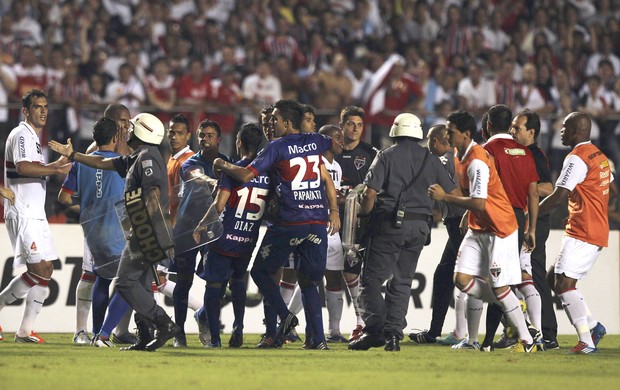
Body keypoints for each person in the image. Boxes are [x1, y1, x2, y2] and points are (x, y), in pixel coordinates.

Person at [213, 99, 340, 350]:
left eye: (274, 120)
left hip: (287, 221)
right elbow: (331, 149)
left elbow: (247, 175)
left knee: (262, 272)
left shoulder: (274, 148)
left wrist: (220, 164)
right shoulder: (314, 142)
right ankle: (317, 339)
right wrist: (334, 210)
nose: (270, 125)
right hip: (316, 220)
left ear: (286, 122)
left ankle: (282, 322)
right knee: (307, 281)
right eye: (266, 123)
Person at [49, 112, 181, 352]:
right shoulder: (137, 157)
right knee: (140, 284)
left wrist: (143, 231)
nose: (127, 132)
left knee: (124, 283)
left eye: (132, 128)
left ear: (142, 132)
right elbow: (101, 162)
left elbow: (152, 196)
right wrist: (74, 155)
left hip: (146, 232)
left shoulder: (148, 158)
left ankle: (164, 322)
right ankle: (145, 333)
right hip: (144, 231)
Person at [428, 110, 537, 353]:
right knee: (461, 279)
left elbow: (479, 201)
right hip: (479, 226)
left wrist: (445, 198)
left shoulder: (477, 160)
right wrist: (468, 212)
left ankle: (527, 340)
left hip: (500, 228)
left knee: (499, 287)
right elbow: (474, 198)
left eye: (450, 131)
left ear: (465, 134)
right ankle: (509, 304)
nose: (446, 135)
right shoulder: (459, 153)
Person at [348, 114, 457, 352]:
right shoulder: (432, 160)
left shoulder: (386, 156)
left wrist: (364, 218)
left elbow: (369, 194)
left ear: (395, 131)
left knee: (371, 280)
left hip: (389, 224)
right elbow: (453, 192)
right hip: (420, 228)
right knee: (402, 282)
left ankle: (376, 330)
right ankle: (394, 335)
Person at [538, 112, 615, 354]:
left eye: (564, 127)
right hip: (593, 227)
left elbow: (559, 195)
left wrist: (531, 215)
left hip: (584, 230)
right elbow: (610, 186)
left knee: (564, 284)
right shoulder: (599, 155)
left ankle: (586, 341)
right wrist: (584, 206)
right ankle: (593, 327)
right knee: (554, 279)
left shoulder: (576, 159)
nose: (560, 131)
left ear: (576, 131)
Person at [0, 89, 71, 343]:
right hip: (23, 212)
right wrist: (54, 168)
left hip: (35, 213)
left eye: (45, 106)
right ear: (26, 111)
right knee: (39, 268)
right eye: (37, 106)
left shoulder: (35, 140)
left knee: (47, 268)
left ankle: (24, 331)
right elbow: (22, 167)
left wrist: (60, 161)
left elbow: (37, 170)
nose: (43, 110)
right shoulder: (21, 134)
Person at [193, 122, 268, 348]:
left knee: (214, 288)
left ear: (239, 143)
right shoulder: (266, 174)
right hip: (248, 240)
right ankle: (239, 328)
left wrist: (200, 225)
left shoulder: (231, 171)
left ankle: (215, 339)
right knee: (238, 284)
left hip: (224, 239)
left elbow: (218, 206)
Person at [58, 117, 127, 346]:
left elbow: (64, 197)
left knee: (100, 278)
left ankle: (95, 332)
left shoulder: (80, 163)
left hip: (92, 231)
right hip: (116, 230)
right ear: (116, 138)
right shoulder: (122, 162)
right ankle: (107, 332)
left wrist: (88, 209)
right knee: (133, 281)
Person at [476, 104, 540, 351]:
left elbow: (484, 189)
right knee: (506, 281)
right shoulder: (525, 152)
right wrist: (531, 228)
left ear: (488, 126)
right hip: (519, 218)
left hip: (495, 217)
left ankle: (503, 337)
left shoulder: (487, 150)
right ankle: (497, 338)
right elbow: (533, 193)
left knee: (494, 280)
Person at [173, 119, 230, 347]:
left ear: (218, 140)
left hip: (213, 230)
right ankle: (179, 334)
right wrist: (212, 180)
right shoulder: (189, 162)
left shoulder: (227, 163)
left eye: (209, 135)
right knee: (184, 282)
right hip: (188, 228)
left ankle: (203, 315)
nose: (205, 139)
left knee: (219, 283)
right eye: (201, 135)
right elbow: (196, 175)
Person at [410, 124, 466, 345]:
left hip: (460, 222)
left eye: (448, 140)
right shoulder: (456, 157)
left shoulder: (441, 159)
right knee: (444, 276)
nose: (448, 145)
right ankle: (435, 332)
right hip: (457, 221)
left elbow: (454, 192)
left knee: (473, 278)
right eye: (446, 141)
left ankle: (515, 325)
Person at [509, 109, 559, 350]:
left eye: (517, 128)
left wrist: (526, 188)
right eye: (511, 126)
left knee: (534, 277)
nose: (512, 131)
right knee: (522, 277)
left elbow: (549, 188)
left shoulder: (534, 154)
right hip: (528, 222)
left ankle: (547, 334)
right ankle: (529, 331)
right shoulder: (520, 153)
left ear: (531, 132)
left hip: (536, 224)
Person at [334, 105, 378, 341]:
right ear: (341, 125)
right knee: (328, 272)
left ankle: (363, 322)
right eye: (351, 124)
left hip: (359, 221)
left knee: (353, 272)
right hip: (332, 219)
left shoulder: (371, 153)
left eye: (360, 125)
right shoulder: (331, 151)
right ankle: (337, 327)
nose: (356, 129)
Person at [318, 124, 347, 343]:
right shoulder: (316, 162)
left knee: (335, 277)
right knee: (311, 276)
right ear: (326, 140)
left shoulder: (335, 165)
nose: (341, 141)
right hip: (317, 223)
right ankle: (285, 323)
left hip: (333, 226)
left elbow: (333, 195)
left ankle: (334, 331)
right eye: (337, 137)